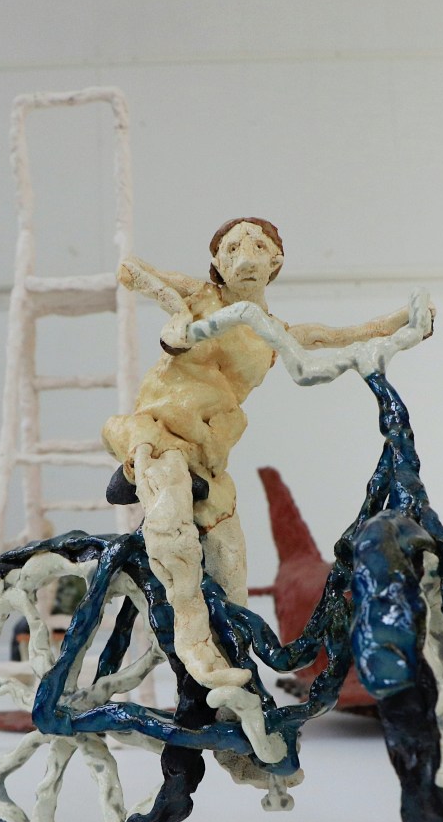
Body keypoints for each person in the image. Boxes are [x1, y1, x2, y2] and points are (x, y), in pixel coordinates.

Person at [103, 217, 413, 695]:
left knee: (230, 559)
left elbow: (342, 335)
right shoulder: (200, 297)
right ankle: (197, 649)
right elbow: (131, 268)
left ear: (275, 261)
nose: (244, 253)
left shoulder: (273, 333)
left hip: (209, 455)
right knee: (174, 534)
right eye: (232, 247)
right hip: (157, 433)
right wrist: (176, 310)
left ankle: (233, 681)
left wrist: (403, 322)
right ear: (216, 262)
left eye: (257, 245)